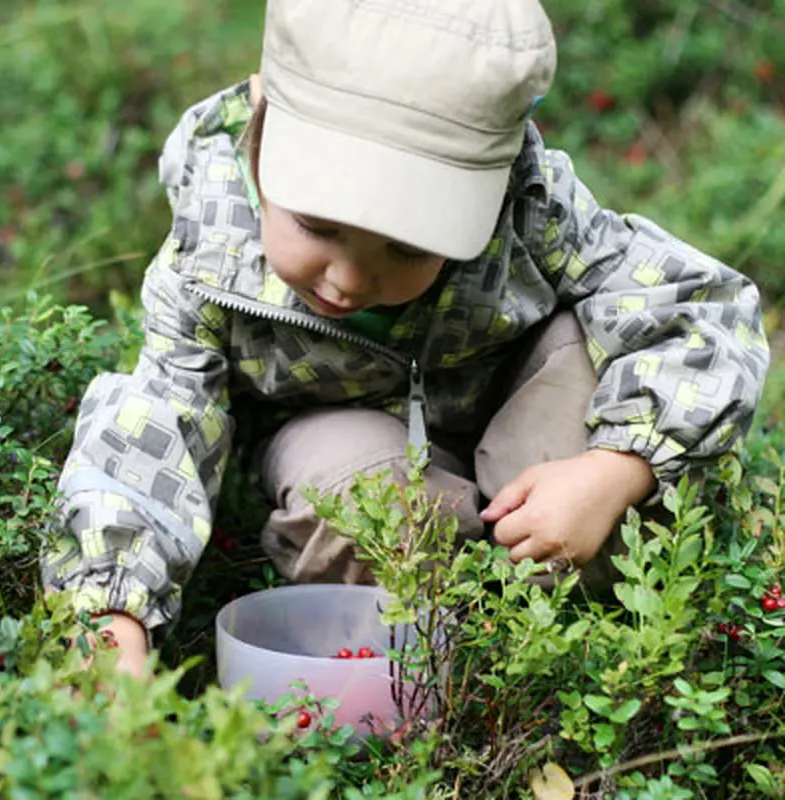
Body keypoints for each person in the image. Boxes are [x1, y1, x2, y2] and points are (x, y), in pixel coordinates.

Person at [41, 0, 769, 677]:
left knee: (600, 402)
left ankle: (567, 631)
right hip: (344, 439)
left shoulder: (530, 210)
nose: (350, 279)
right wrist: (110, 616)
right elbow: (155, 428)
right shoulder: (210, 259)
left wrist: (616, 469)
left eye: (409, 247)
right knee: (359, 508)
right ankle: (453, 657)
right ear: (259, 135)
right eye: (318, 228)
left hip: (520, 421)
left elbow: (700, 307)